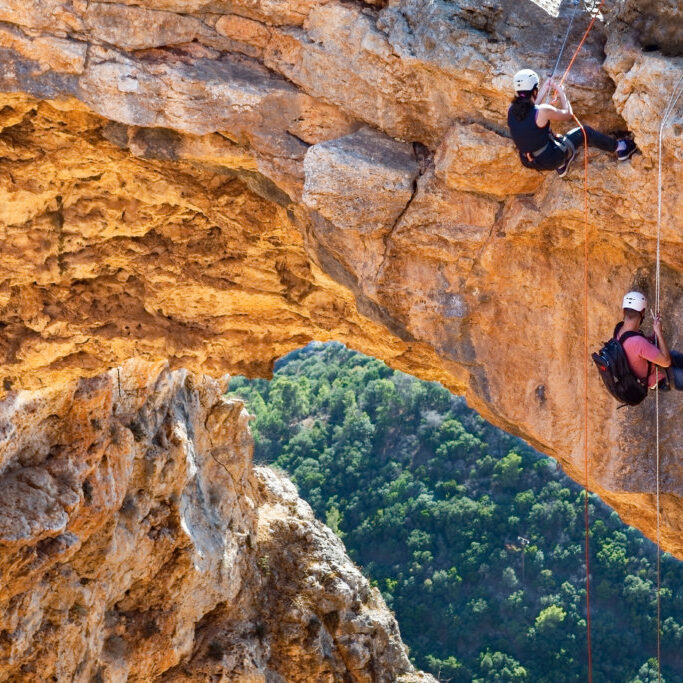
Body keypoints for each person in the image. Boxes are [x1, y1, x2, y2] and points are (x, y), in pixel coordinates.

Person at [507, 69, 638, 177]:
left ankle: (561, 165)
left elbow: (531, 111)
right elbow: (568, 114)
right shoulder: (543, 111)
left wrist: (546, 88)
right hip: (550, 159)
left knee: (546, 136)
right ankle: (621, 147)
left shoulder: (511, 110)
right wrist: (562, 94)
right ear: (534, 91)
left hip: (529, 161)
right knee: (584, 132)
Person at [615, 291, 683, 391]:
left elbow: (641, 347)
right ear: (642, 312)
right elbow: (666, 362)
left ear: (623, 311)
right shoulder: (637, 342)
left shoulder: (620, 330)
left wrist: (655, 334)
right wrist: (659, 333)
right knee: (673, 359)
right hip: (660, 376)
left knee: (675, 356)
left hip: (653, 365)